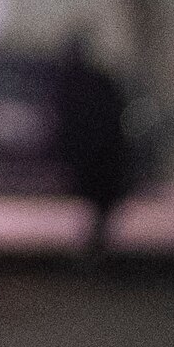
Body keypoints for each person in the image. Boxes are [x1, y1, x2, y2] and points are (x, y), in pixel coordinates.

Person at [49, 27, 134, 268]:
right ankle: (97, 245)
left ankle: (96, 246)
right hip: (95, 149)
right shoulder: (84, 80)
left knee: (101, 200)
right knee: (100, 200)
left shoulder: (85, 81)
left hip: (99, 149)